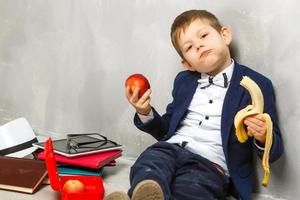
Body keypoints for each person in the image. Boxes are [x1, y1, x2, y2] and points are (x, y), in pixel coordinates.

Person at [105, 9, 284, 200]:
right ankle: (147, 191)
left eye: (204, 36)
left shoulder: (258, 84)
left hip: (210, 165)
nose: (198, 45)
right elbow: (165, 130)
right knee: (148, 165)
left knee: (192, 190)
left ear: (225, 35)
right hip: (169, 149)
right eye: (189, 47)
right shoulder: (184, 81)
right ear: (187, 64)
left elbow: (275, 151)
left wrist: (264, 135)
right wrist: (145, 111)